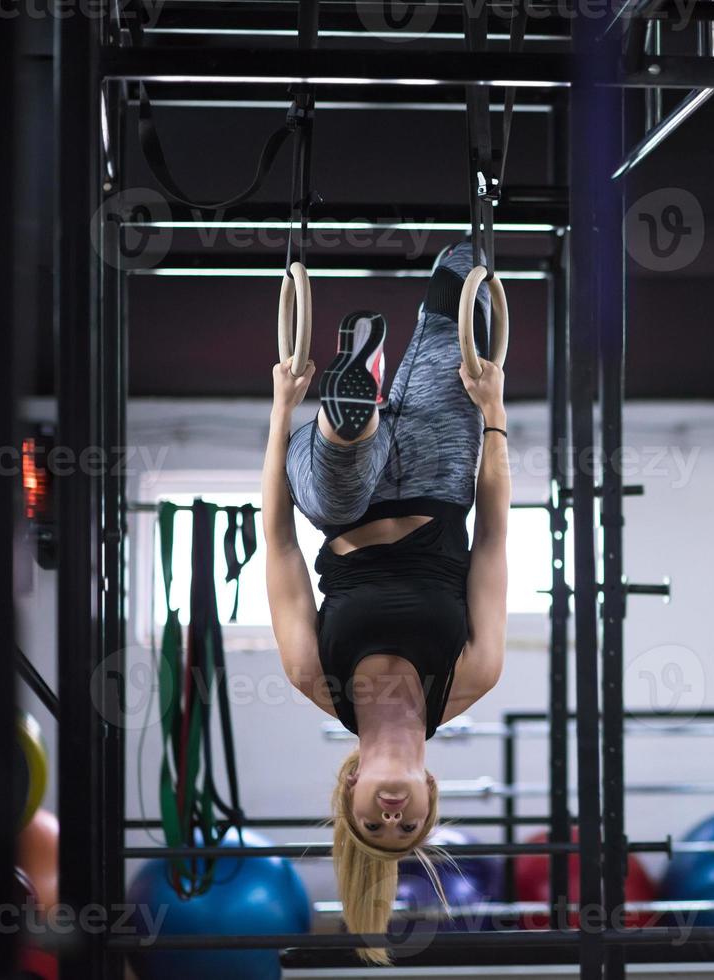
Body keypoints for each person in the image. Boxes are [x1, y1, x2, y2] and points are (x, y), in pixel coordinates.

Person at [261, 241, 510, 963]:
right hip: (438, 470)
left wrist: (281, 411)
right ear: (432, 793)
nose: (394, 818)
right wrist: (493, 414)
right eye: (409, 828)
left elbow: (278, 547)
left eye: (376, 825)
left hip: (344, 496)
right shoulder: (470, 677)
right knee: (467, 265)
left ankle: (350, 408)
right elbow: (492, 541)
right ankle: (356, 399)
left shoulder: (317, 678)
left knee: (339, 473)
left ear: (351, 794)